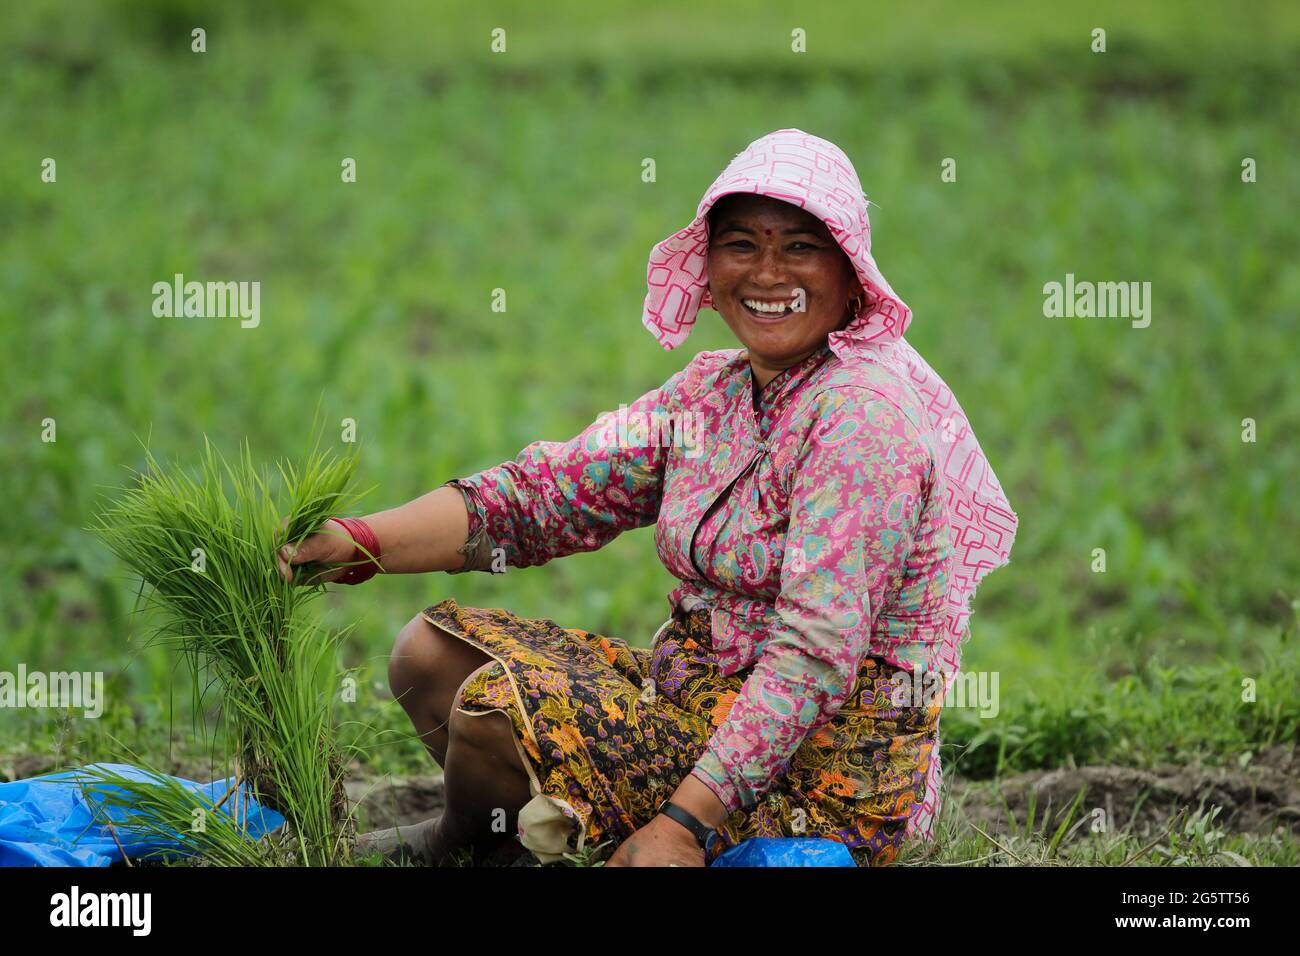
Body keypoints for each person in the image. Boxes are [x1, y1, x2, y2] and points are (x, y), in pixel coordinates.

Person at [278, 128, 1018, 867]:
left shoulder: (861, 417)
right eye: (740, 245)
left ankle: (456, 850)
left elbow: (816, 656)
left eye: (799, 247)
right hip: (692, 706)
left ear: (851, 271)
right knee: (428, 657)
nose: (767, 273)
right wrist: (361, 542)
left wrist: (682, 826)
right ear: (708, 264)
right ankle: (491, 842)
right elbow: (543, 498)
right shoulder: (715, 391)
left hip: (818, 776)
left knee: (492, 710)